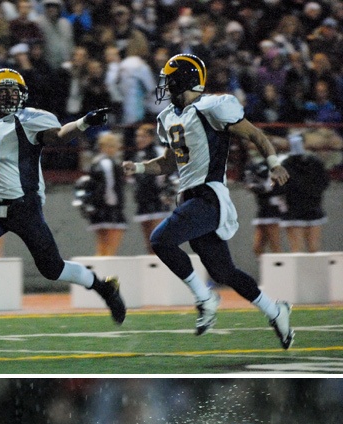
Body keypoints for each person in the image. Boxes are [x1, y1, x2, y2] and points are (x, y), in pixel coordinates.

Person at [0, 68, 126, 341]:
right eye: (3, 92)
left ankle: (104, 288)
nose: (9, 98)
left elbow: (59, 135)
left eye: (14, 93)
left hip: (23, 205)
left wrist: (85, 122)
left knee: (53, 269)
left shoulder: (29, 120)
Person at [121, 53, 294, 350]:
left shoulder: (211, 106)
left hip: (209, 196)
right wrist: (138, 168)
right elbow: (169, 162)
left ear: (183, 78)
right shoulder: (169, 117)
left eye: (169, 78)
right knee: (223, 272)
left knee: (161, 239)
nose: (165, 85)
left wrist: (274, 164)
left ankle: (205, 298)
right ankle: (276, 310)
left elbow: (255, 134)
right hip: (190, 197)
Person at [279, 133, 330, 253]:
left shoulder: (286, 163)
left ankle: (311, 272)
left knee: (304, 249)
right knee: (306, 249)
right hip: (302, 209)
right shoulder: (287, 163)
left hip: (301, 209)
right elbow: (323, 182)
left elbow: (280, 186)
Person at [131, 123, 173, 253]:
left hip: (157, 201)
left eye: (143, 136)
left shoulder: (159, 152)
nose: (139, 139)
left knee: (158, 238)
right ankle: (152, 264)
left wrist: (167, 193)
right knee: (148, 241)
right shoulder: (137, 155)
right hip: (143, 200)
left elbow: (170, 174)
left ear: (150, 137)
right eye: (138, 136)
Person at [84, 131, 127, 257]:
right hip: (109, 210)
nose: (116, 149)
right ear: (105, 147)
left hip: (99, 209)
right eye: (113, 146)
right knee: (110, 250)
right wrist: (114, 207)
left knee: (102, 248)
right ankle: (107, 276)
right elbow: (109, 187)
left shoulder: (96, 162)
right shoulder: (107, 163)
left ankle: (100, 275)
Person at [243, 159, 286, 256]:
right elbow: (249, 182)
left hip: (274, 208)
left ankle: (280, 269)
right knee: (257, 247)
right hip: (262, 208)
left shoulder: (277, 164)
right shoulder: (254, 164)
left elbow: (269, 186)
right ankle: (266, 269)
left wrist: (256, 186)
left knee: (275, 246)